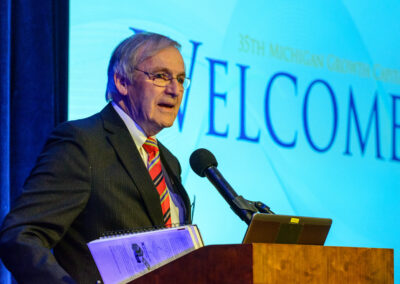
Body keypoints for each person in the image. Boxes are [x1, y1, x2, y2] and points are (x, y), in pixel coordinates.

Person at [0, 32, 192, 283]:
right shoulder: (82, 142)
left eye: (180, 79)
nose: (175, 90)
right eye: (161, 76)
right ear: (122, 81)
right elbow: (21, 236)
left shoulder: (169, 161)